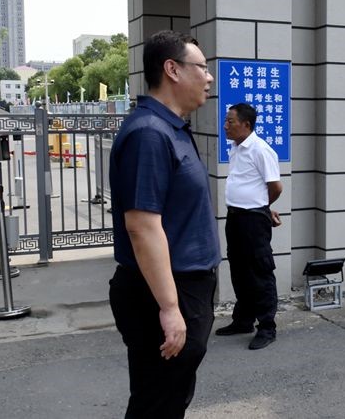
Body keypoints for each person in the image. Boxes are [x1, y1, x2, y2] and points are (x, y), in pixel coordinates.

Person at [108, 30, 219, 418]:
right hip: (161, 293)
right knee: (156, 403)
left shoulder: (171, 128)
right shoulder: (149, 134)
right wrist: (170, 308)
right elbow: (142, 226)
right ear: (172, 69)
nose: (209, 77)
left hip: (185, 287)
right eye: (202, 67)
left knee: (169, 398)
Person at [214, 102, 282, 350]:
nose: (225, 126)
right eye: (226, 121)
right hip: (236, 218)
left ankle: (267, 327)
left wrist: (262, 208)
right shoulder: (236, 148)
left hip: (253, 221)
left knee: (259, 271)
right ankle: (243, 320)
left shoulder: (261, 150)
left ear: (246, 125)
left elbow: (276, 187)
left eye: (230, 121)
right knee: (239, 269)